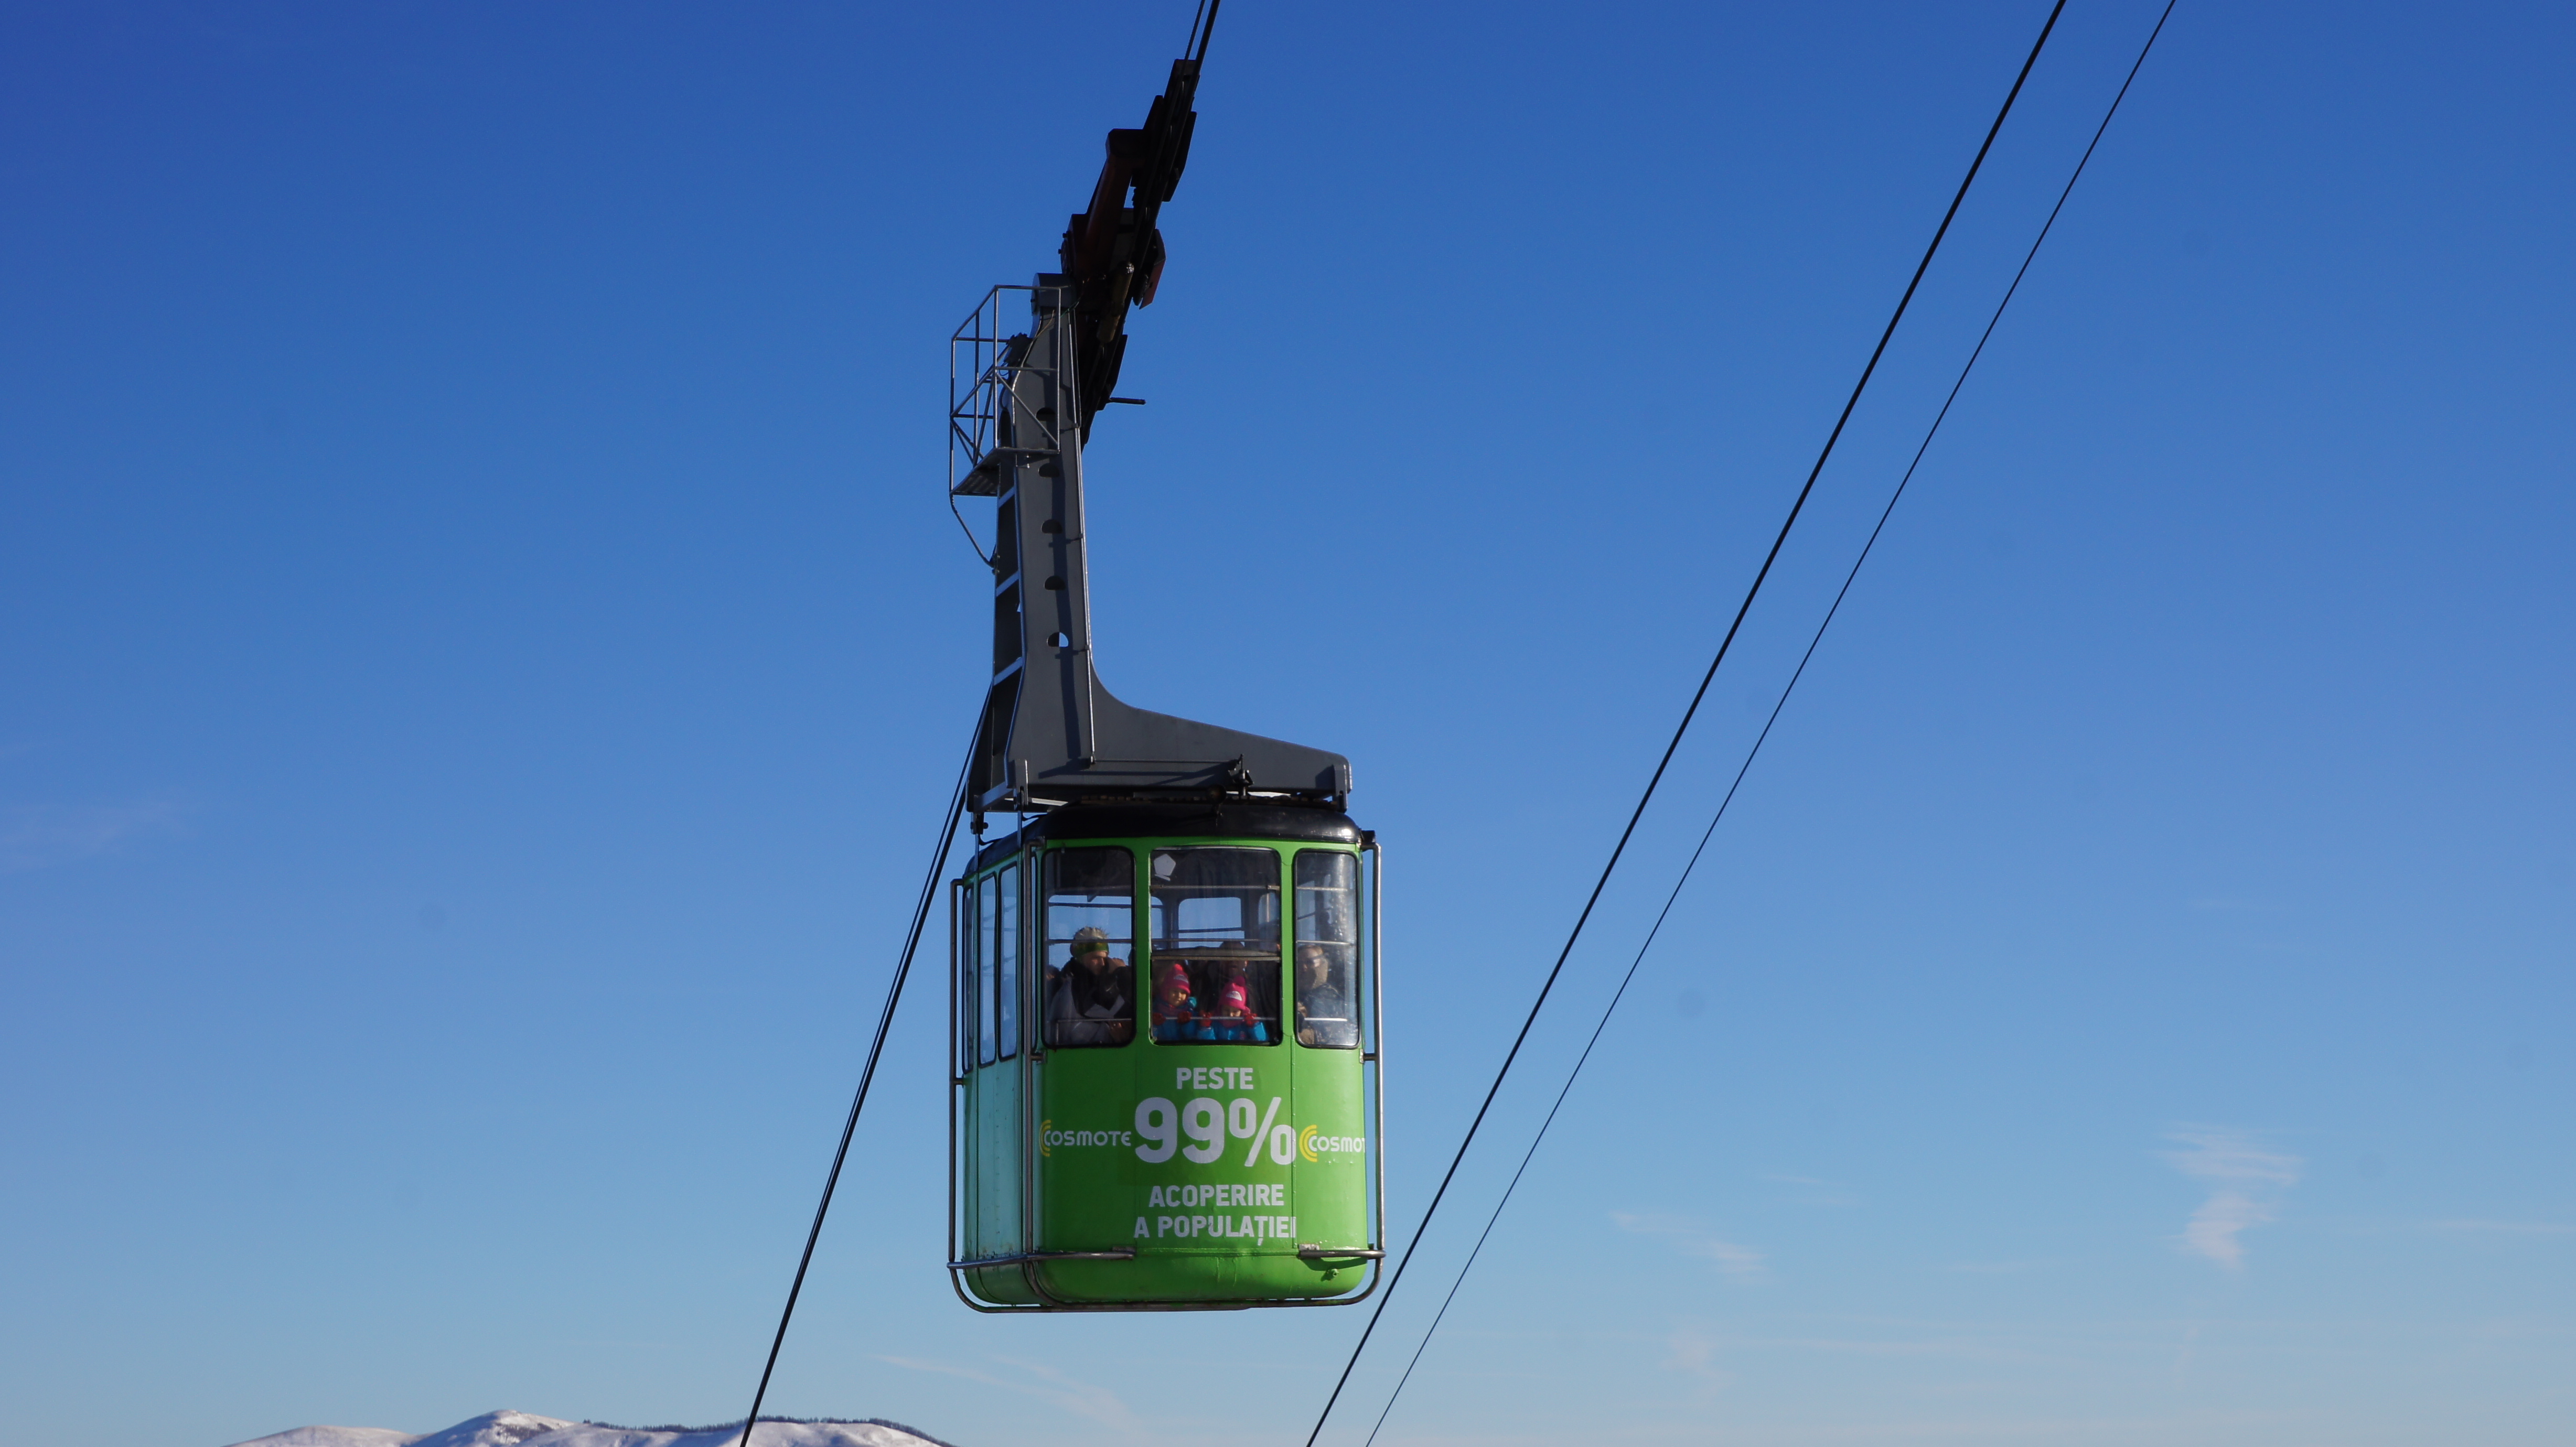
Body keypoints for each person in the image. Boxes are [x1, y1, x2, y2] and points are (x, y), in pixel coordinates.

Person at [1047, 926, 1133, 1047]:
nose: (1102, 963)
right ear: (1080, 959)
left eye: (1105, 958)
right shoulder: (1077, 986)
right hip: (1083, 1048)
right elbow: (1126, 1012)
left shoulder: (1101, 986)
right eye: (1096, 958)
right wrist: (1123, 973)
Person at [1294, 943, 1358, 1048]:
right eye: (1299, 963)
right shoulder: (1289, 990)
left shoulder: (1329, 996)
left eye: (1310, 963)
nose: (1304, 967)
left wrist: (1305, 1031)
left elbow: (1331, 1034)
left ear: (1321, 966)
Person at [1200, 955, 1269, 1043]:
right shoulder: (1216, 1023)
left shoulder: (1245, 1025)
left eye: (1235, 1011)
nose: (1230, 1015)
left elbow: (1262, 1041)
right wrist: (1206, 1028)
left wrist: (1255, 1026)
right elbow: (1208, 1044)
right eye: (1226, 1010)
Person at [1150, 959, 1204, 1043]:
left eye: (1183, 993)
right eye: (1175, 991)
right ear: (1165, 992)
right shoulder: (1154, 1011)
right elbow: (1150, 1038)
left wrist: (1187, 1024)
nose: (1179, 996)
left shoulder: (1191, 1012)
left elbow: (1193, 1036)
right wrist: (1155, 1025)